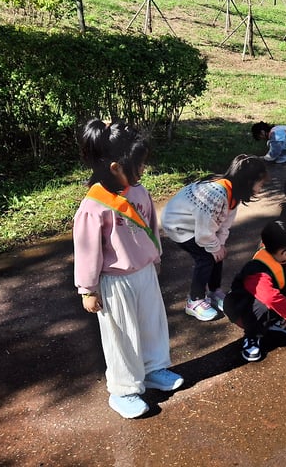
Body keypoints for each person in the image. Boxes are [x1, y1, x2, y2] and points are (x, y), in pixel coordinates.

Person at [73, 119, 183, 419]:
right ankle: (123, 390)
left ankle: (152, 370)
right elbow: (86, 250)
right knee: (122, 336)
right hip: (114, 282)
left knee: (152, 325)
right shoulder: (94, 206)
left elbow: (152, 227)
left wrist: (156, 258)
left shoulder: (139, 191)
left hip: (144, 273)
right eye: (138, 165)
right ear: (114, 167)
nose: (143, 170)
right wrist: (88, 289)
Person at [162, 155, 269, 321]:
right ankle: (195, 300)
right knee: (205, 257)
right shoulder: (216, 195)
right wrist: (214, 247)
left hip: (197, 225)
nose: (261, 188)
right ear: (248, 182)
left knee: (217, 252)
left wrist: (220, 245)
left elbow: (224, 224)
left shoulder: (233, 193)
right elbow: (204, 233)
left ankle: (214, 291)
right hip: (179, 225)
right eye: (260, 184)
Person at [224, 219, 286, 362]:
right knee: (262, 305)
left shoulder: (285, 259)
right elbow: (269, 298)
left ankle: (278, 322)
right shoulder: (257, 271)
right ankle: (252, 336)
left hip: (269, 300)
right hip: (243, 308)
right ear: (285, 253)